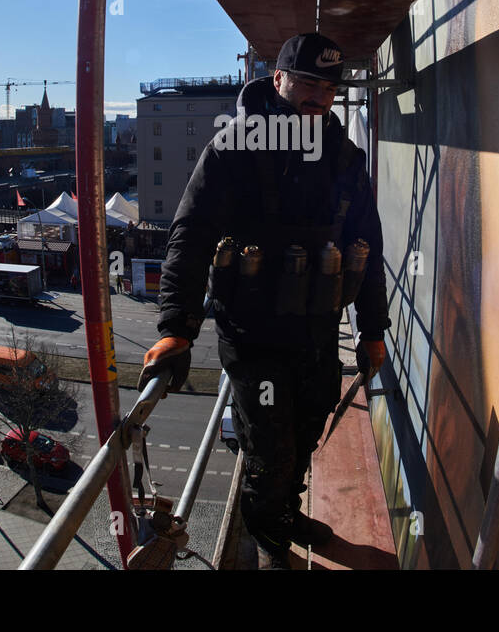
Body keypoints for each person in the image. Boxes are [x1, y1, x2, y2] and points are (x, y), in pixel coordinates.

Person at [139, 33, 390, 569]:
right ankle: (266, 530)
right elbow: (190, 233)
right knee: (270, 448)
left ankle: (283, 510)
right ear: (278, 80)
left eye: (329, 86)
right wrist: (176, 328)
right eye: (307, 82)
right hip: (254, 335)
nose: (319, 96)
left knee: (307, 431)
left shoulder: (344, 157)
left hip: (317, 331)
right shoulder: (234, 148)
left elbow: (368, 245)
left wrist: (373, 330)